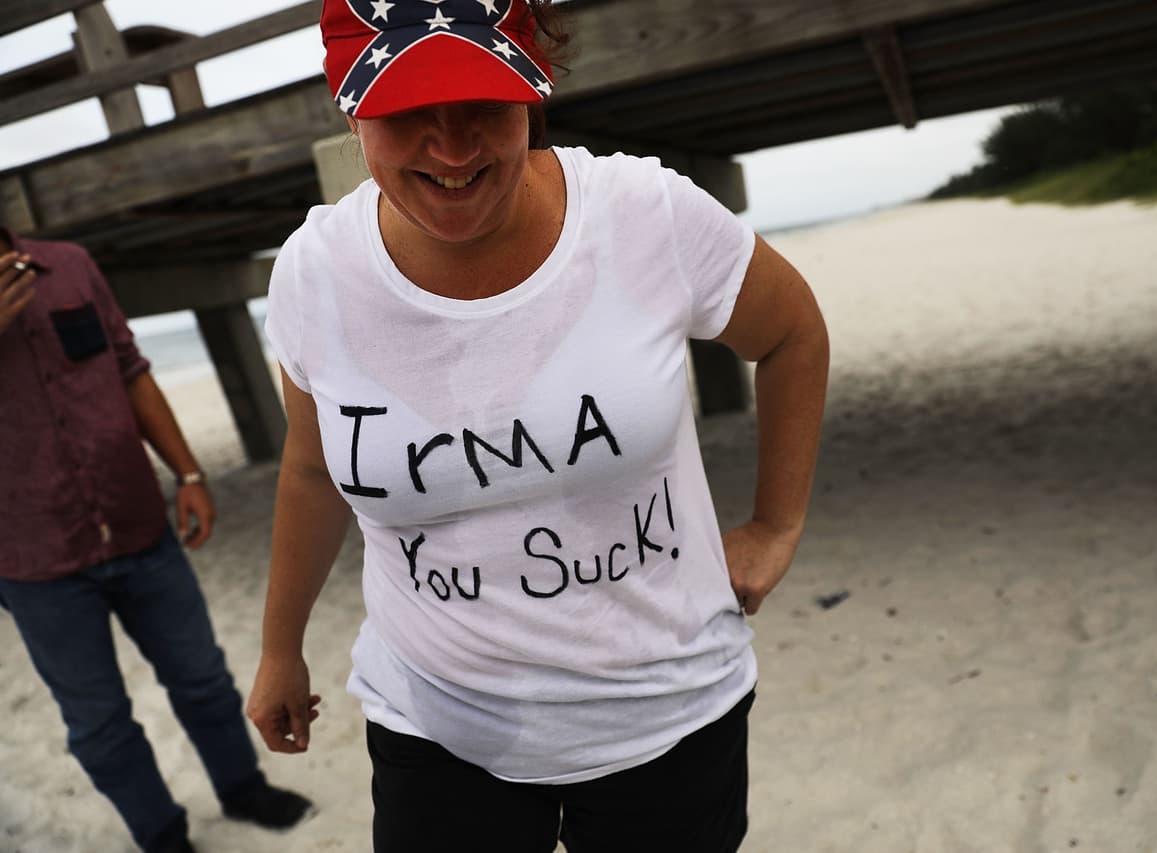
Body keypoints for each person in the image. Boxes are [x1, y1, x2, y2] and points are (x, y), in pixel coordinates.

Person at [246, 0, 828, 850]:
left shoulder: (640, 214)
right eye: (409, 113)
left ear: (530, 87)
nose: (450, 149)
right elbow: (310, 469)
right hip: (433, 723)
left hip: (666, 717)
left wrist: (778, 524)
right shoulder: (315, 274)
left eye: (480, 104)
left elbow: (790, 332)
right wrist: (279, 648)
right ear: (351, 105)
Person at [0, 228, 313, 853]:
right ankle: (162, 836)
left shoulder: (69, 264)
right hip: (34, 560)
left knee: (202, 678)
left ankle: (243, 790)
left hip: (141, 526)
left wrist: (190, 473)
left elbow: (130, 370)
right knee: (98, 720)